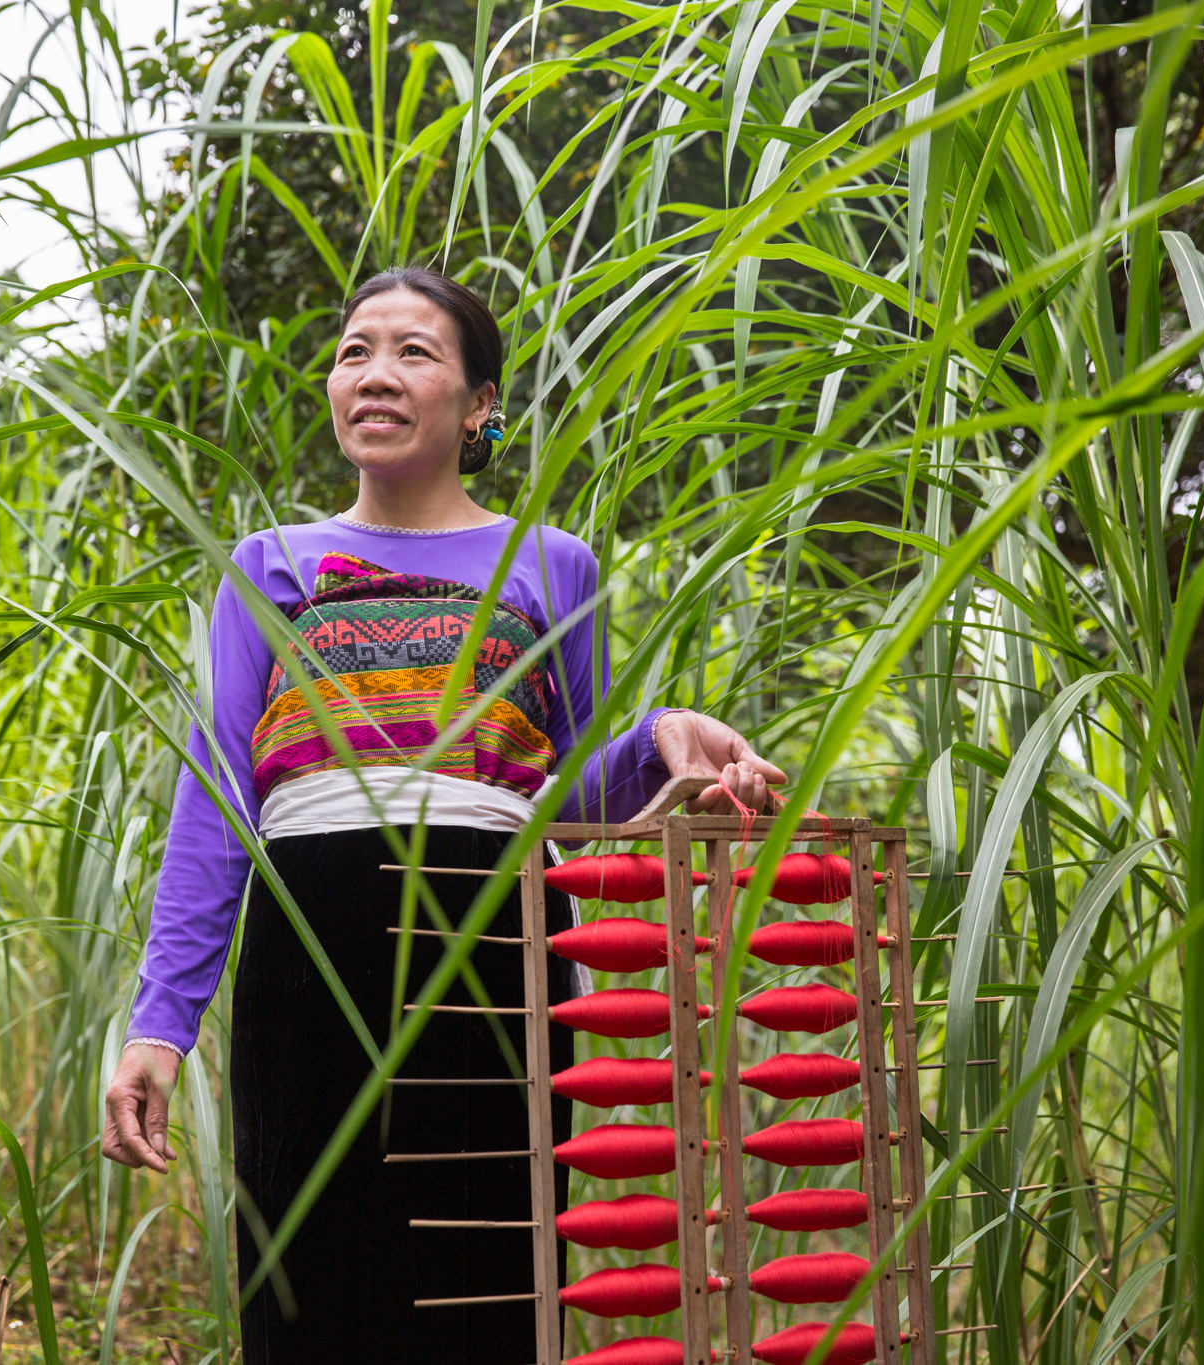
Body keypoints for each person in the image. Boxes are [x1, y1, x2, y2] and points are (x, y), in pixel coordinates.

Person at [102, 266, 783, 1363]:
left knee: (484, 1296)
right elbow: (219, 796)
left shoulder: (551, 568)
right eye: (352, 350)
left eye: (413, 352)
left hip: (493, 965)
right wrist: (158, 1025)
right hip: (305, 969)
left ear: (479, 406)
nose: (374, 374)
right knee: (306, 1292)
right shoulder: (265, 569)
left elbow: (568, 806)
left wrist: (666, 739)